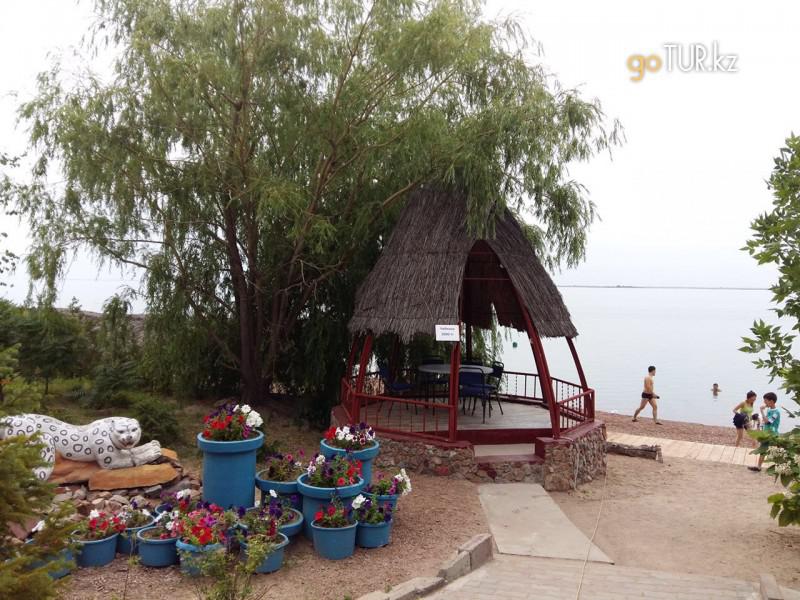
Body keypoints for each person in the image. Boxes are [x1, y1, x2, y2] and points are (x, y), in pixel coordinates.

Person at [749, 392, 780, 472]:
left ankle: (780, 467)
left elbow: (768, 422)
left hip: (773, 435)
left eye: (766, 401)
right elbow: (764, 421)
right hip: (766, 434)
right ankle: (759, 467)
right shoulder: (769, 410)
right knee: (763, 450)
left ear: (771, 401)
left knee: (775, 451)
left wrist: (761, 411)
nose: (764, 402)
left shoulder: (776, 412)